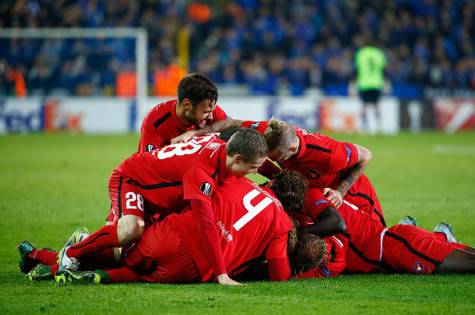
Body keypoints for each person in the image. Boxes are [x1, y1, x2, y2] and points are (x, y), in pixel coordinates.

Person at [52, 128, 268, 286]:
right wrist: (222, 274)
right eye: (253, 167)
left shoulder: (220, 147)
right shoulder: (200, 172)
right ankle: (71, 252)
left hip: (157, 190)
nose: (255, 172)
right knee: (130, 231)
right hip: (132, 180)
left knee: (128, 246)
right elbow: (205, 225)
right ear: (237, 158)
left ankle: (67, 249)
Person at [25, 171, 308, 284]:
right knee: (136, 273)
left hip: (172, 233)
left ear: (270, 183)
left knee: (120, 253)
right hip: (193, 268)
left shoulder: (232, 179)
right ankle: (95, 276)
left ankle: (45, 257)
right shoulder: (281, 224)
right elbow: (279, 273)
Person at [292, 191, 475, 276]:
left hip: (396, 245)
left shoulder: (320, 209)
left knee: (468, 263)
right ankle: (441, 236)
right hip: (389, 249)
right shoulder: (317, 208)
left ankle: (441, 236)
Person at [139, 72, 228, 152]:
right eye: (206, 112)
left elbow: (236, 139)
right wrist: (173, 149)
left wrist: (196, 135)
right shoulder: (155, 122)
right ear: (187, 105)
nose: (211, 117)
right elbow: (147, 164)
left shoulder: (209, 109)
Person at [352, 37, 389, 134]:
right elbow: (384, 69)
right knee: (376, 105)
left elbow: (357, 69)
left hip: (364, 83)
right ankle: (379, 126)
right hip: (376, 83)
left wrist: (353, 82)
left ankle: (365, 127)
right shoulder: (379, 53)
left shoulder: (361, 53)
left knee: (364, 105)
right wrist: (386, 81)